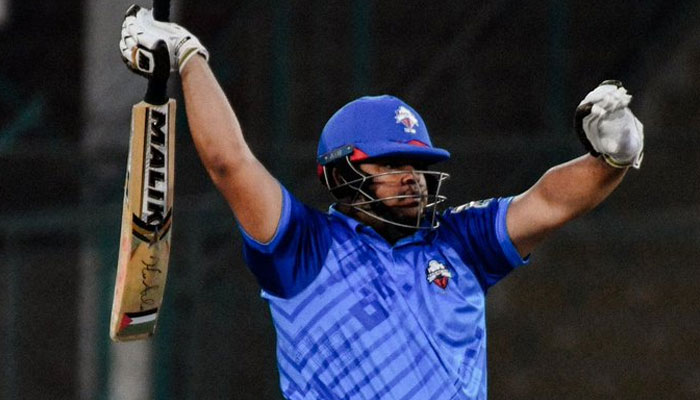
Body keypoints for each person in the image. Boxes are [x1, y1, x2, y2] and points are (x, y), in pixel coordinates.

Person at [120, 6, 644, 399]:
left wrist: (610, 159)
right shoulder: (303, 249)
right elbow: (229, 162)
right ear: (344, 171)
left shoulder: (461, 241)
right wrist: (188, 57)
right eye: (392, 165)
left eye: (417, 166)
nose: (412, 178)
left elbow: (551, 202)